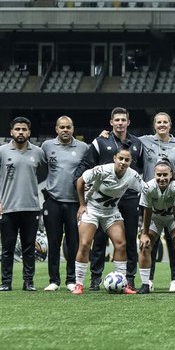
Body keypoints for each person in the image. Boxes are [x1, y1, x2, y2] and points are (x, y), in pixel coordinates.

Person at [101, 111, 175, 292]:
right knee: (148, 242)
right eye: (158, 122)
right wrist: (106, 136)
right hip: (151, 197)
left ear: (170, 125)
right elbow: (123, 137)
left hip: (173, 198)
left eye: (165, 122)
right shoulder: (143, 141)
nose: (162, 125)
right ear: (154, 125)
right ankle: (148, 282)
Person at [75, 107, 144, 291]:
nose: (123, 162)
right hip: (95, 207)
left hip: (119, 205)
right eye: (117, 120)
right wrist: (82, 204)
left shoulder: (135, 155)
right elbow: (81, 178)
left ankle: (124, 282)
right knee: (89, 243)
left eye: (124, 120)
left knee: (123, 243)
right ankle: (85, 282)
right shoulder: (101, 149)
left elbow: (145, 189)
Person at [0, 117, 46, 291]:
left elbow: (51, 170)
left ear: (29, 132)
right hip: (8, 208)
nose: (21, 132)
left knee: (29, 249)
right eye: (17, 129)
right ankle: (6, 283)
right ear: (11, 131)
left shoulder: (38, 152)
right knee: (7, 248)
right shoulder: (1, 152)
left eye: (24, 129)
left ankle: (28, 282)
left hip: (32, 207)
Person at [40, 116, 89, 291]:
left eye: (68, 127)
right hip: (53, 201)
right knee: (53, 241)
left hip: (75, 203)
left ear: (73, 128)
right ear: (56, 129)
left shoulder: (83, 148)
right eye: (62, 127)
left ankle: (71, 279)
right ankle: (54, 280)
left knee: (73, 242)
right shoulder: (47, 146)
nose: (65, 130)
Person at [137, 160, 175, 294]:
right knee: (145, 245)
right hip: (155, 217)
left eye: (165, 175)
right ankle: (145, 284)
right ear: (154, 174)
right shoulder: (148, 187)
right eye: (159, 175)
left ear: (171, 174)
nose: (162, 178)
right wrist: (144, 234)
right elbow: (146, 211)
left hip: (173, 217)